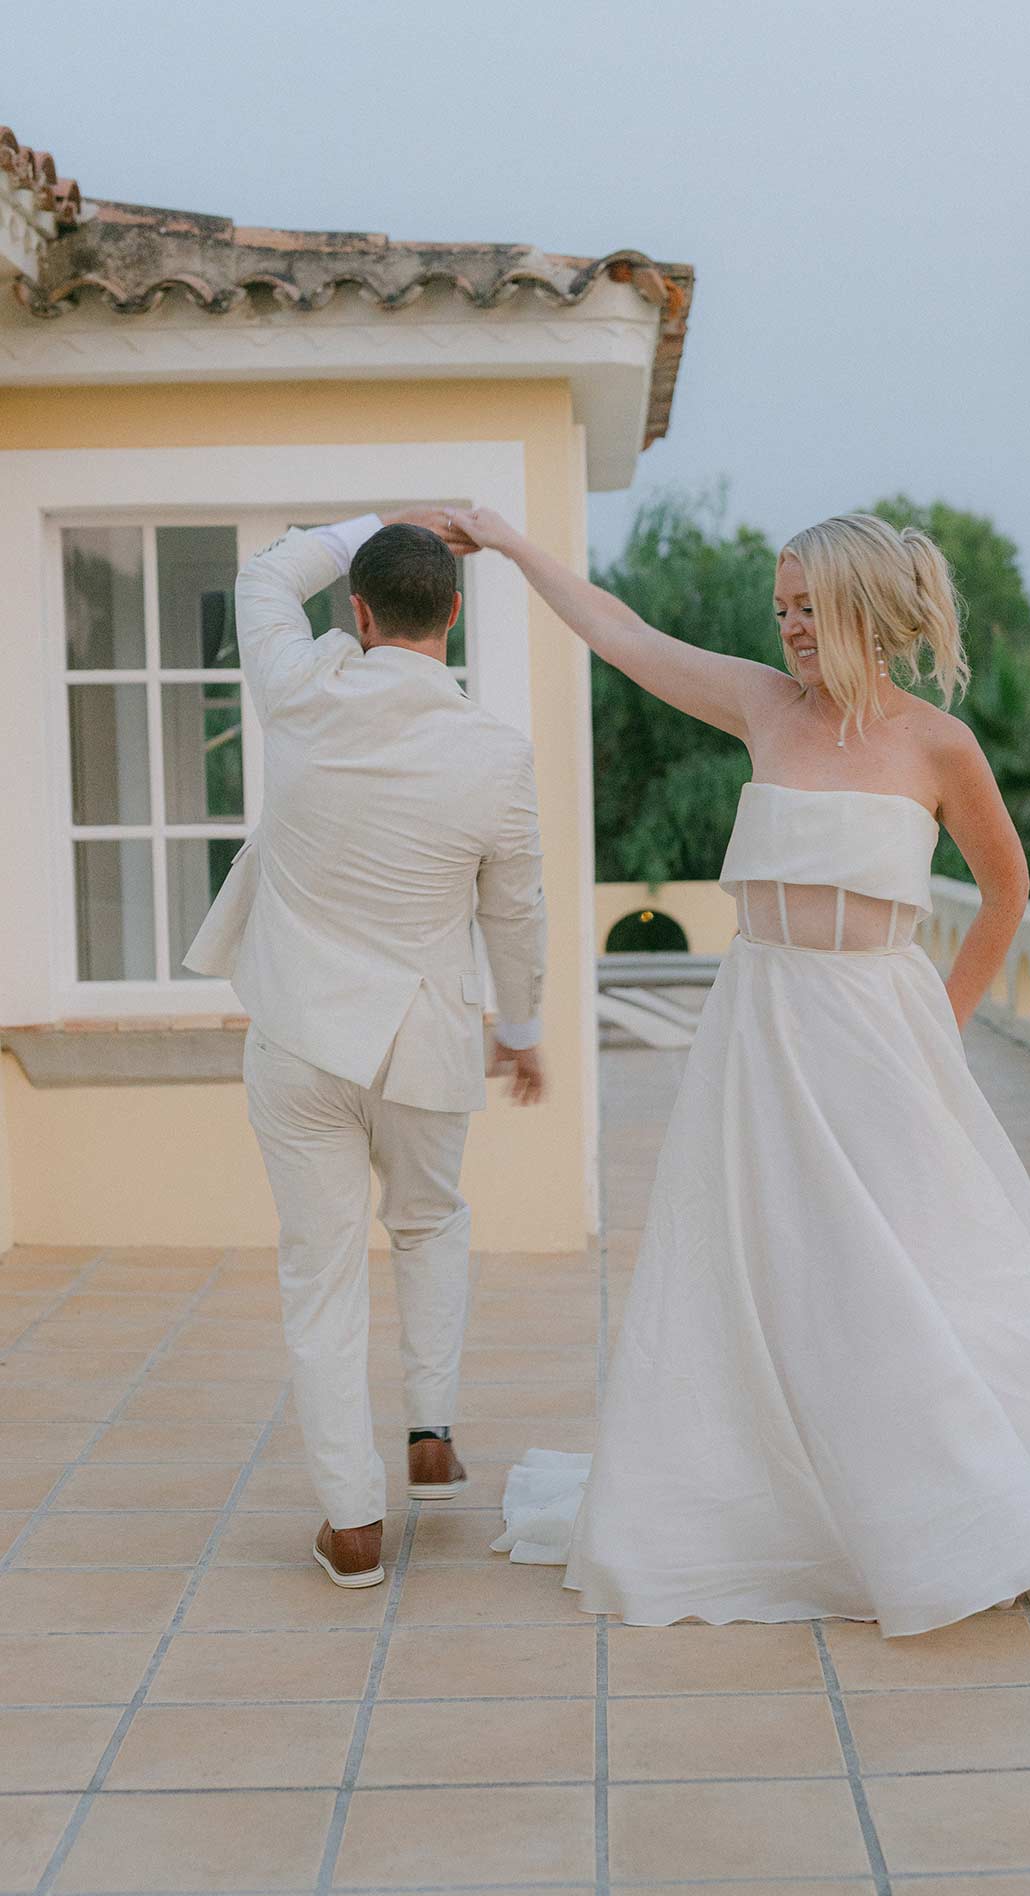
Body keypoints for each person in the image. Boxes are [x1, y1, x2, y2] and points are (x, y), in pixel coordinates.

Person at [438, 502, 1030, 1639]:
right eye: (780, 606)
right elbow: (622, 634)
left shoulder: (938, 744)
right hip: (762, 1025)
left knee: (922, 1264)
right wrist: (507, 539)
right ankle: (793, 1502)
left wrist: (943, 1022)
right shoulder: (762, 706)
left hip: (882, 1027)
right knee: (771, 1263)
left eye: (807, 606)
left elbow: (1006, 891)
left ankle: (982, 1509)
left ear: (861, 611)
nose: (788, 625)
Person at [184, 511, 547, 1588]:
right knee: (429, 1223)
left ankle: (352, 1525)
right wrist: (521, 1029)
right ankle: (431, 1433)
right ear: (455, 614)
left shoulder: (301, 691)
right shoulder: (497, 754)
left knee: (323, 1274)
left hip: (300, 1039)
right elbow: (516, 913)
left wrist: (377, 522)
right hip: (426, 1042)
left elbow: (265, 577)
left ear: (357, 611)